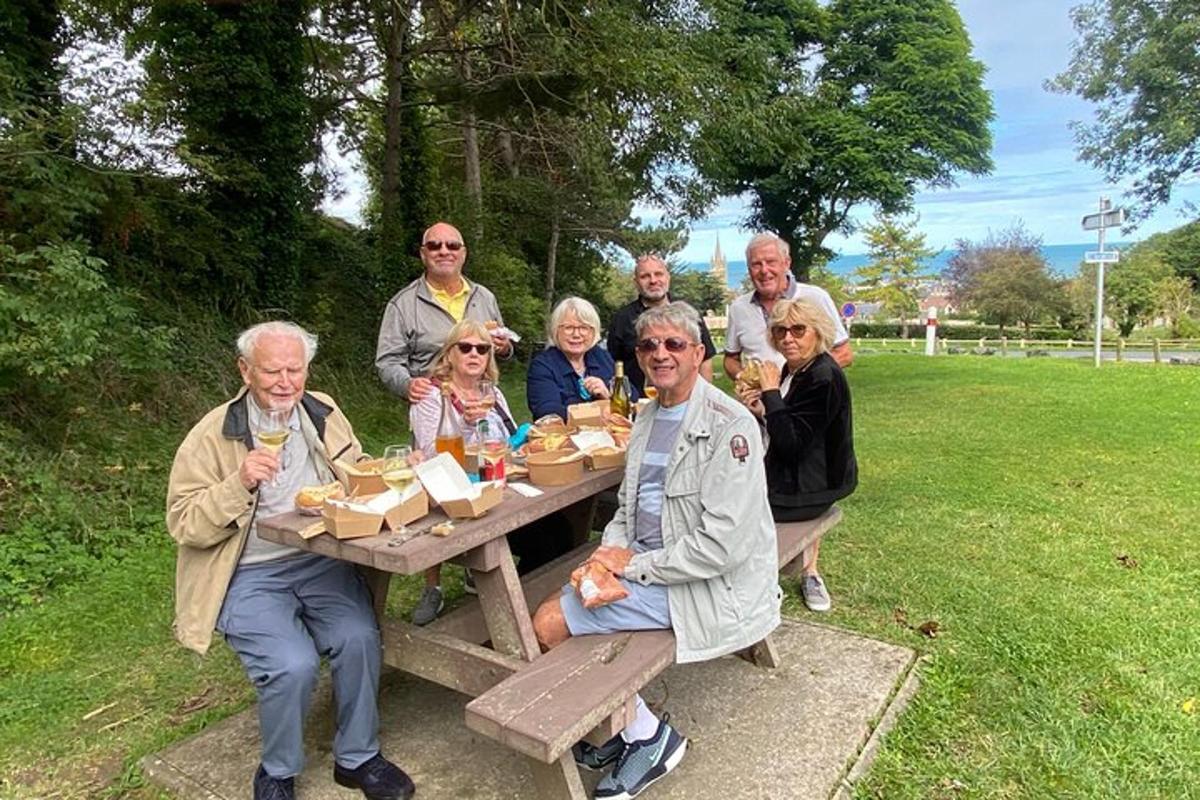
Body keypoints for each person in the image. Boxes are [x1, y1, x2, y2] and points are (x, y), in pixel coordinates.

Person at [532, 302, 781, 800]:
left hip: (704, 584)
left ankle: (648, 736)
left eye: (674, 344)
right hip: (649, 565)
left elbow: (720, 548)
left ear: (697, 352)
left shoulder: (730, 424)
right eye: (649, 345)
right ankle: (626, 726)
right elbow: (626, 510)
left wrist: (632, 567)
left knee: (547, 624)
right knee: (568, 596)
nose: (660, 354)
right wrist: (606, 559)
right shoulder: (646, 417)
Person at [166, 322, 414, 800]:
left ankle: (358, 757)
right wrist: (237, 483)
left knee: (359, 637)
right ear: (244, 370)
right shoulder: (213, 433)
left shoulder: (321, 410)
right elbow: (183, 522)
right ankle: (277, 771)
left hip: (319, 558)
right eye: (272, 370)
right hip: (248, 573)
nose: (285, 382)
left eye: (294, 370)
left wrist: (391, 472)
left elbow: (356, 468)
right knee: (293, 664)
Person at [734, 299, 857, 613]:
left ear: (817, 332)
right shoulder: (797, 369)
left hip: (809, 490)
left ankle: (745, 592)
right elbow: (788, 423)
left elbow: (791, 446)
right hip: (795, 479)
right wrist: (761, 409)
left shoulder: (823, 376)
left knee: (724, 504)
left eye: (798, 330)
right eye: (780, 331)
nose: (788, 338)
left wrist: (771, 392)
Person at [408, 319, 519, 625]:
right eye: (465, 347)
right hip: (441, 485)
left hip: (488, 479)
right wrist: (469, 425)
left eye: (482, 349)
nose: (474, 354)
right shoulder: (431, 395)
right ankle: (433, 588)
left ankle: (483, 571)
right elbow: (434, 456)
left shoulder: (491, 393)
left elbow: (507, 441)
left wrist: (487, 425)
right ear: (450, 354)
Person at [376, 221, 513, 404]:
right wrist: (407, 384)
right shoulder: (402, 304)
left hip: (482, 405)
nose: (444, 251)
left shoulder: (485, 297)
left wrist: (504, 348)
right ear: (423, 254)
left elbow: (500, 350)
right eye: (434, 246)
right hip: (432, 406)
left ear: (463, 254)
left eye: (452, 246)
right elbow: (388, 362)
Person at [723, 232, 853, 381]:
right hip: (759, 402)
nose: (764, 270)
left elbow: (844, 353)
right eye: (756, 264)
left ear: (786, 263)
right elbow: (730, 359)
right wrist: (744, 379)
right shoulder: (739, 308)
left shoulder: (816, 297)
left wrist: (798, 383)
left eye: (771, 262)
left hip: (807, 400)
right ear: (749, 269)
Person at [606, 253, 718, 392]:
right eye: (645, 276)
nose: (653, 280)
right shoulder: (622, 319)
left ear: (668, 277)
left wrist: (702, 400)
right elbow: (612, 365)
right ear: (636, 282)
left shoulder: (689, 314)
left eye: (658, 274)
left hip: (686, 404)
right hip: (640, 405)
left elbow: (705, 360)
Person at [527, 296, 634, 421]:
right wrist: (604, 408)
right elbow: (547, 412)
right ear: (555, 330)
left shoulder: (601, 356)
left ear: (594, 331)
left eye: (584, 328)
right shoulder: (542, 365)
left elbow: (633, 396)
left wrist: (608, 394)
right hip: (564, 438)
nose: (576, 334)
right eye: (568, 328)